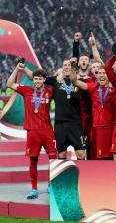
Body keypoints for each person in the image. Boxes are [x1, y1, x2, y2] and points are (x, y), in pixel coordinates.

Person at [7, 64, 57, 199]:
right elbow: (9, 83)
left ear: (44, 80)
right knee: (33, 160)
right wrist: (18, 68)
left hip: (47, 131)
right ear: (33, 80)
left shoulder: (50, 91)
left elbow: (59, 78)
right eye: (36, 79)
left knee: (53, 159)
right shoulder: (26, 90)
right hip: (33, 132)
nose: (38, 81)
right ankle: (34, 189)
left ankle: (50, 186)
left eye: (40, 79)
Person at [24, 59, 87, 160]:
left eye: (69, 65)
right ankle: (62, 176)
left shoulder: (79, 82)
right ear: (62, 68)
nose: (67, 67)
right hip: (60, 123)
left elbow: (89, 87)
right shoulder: (55, 80)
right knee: (62, 154)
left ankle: (82, 176)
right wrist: (24, 67)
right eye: (64, 65)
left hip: (75, 123)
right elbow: (35, 76)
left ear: (73, 68)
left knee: (81, 154)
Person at [70, 67, 116, 160]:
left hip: (110, 128)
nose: (102, 75)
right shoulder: (93, 87)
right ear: (96, 76)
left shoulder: (114, 89)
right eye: (99, 73)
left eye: (104, 73)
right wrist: (72, 68)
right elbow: (75, 82)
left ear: (108, 76)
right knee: (97, 156)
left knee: (110, 156)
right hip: (96, 128)